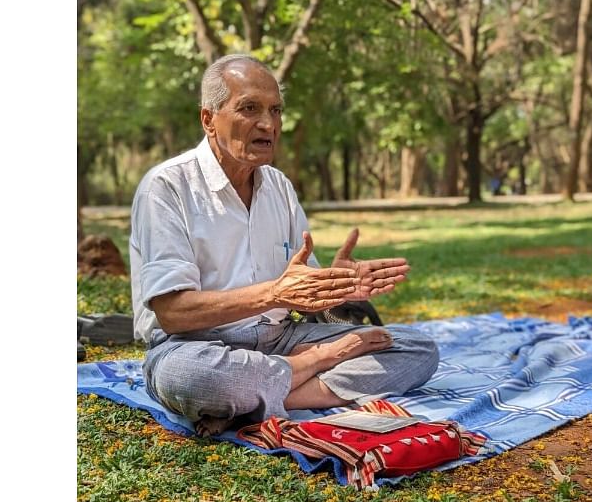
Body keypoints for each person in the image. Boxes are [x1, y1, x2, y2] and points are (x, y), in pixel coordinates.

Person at [128, 54, 439, 434]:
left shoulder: (278, 186)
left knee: (414, 347)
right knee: (191, 378)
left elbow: (302, 287)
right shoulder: (166, 187)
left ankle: (258, 398)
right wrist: (283, 304)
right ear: (208, 119)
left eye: (275, 110)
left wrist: (334, 284)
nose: (268, 124)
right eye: (249, 108)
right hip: (194, 345)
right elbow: (173, 313)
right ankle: (309, 367)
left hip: (282, 339)